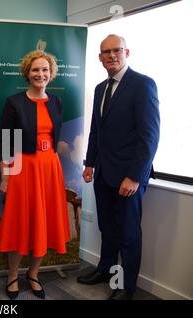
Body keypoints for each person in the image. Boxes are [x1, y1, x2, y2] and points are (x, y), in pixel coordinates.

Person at [77, 34, 160, 300]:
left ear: (127, 53)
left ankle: (126, 286)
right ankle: (106, 271)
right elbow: (96, 133)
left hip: (128, 178)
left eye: (116, 50)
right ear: (100, 58)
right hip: (103, 173)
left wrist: (135, 177)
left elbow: (149, 137)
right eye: (106, 52)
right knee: (108, 229)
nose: (111, 55)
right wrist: (89, 163)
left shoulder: (143, 85)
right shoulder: (101, 88)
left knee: (128, 233)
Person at [0, 50, 70, 300]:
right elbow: (5, 143)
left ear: (51, 74)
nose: (40, 74)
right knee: (20, 223)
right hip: (23, 168)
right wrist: (5, 176)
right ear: (27, 73)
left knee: (44, 221)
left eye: (45, 70)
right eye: (36, 70)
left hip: (50, 168)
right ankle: (13, 275)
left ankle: (34, 274)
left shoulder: (57, 102)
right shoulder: (14, 102)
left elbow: (56, 138)